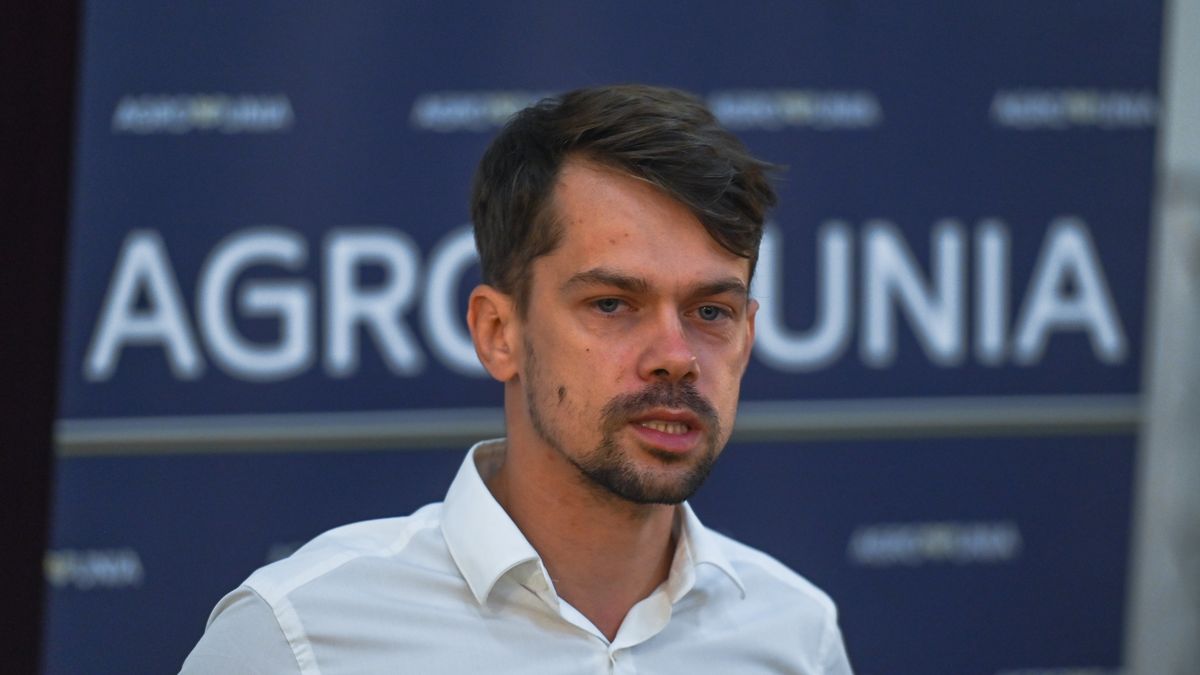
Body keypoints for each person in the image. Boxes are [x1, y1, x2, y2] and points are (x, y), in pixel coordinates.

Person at [180, 84, 852, 674]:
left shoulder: (795, 634)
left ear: (750, 333)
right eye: (612, 304)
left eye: (712, 311)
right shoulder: (297, 637)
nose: (675, 355)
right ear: (499, 333)